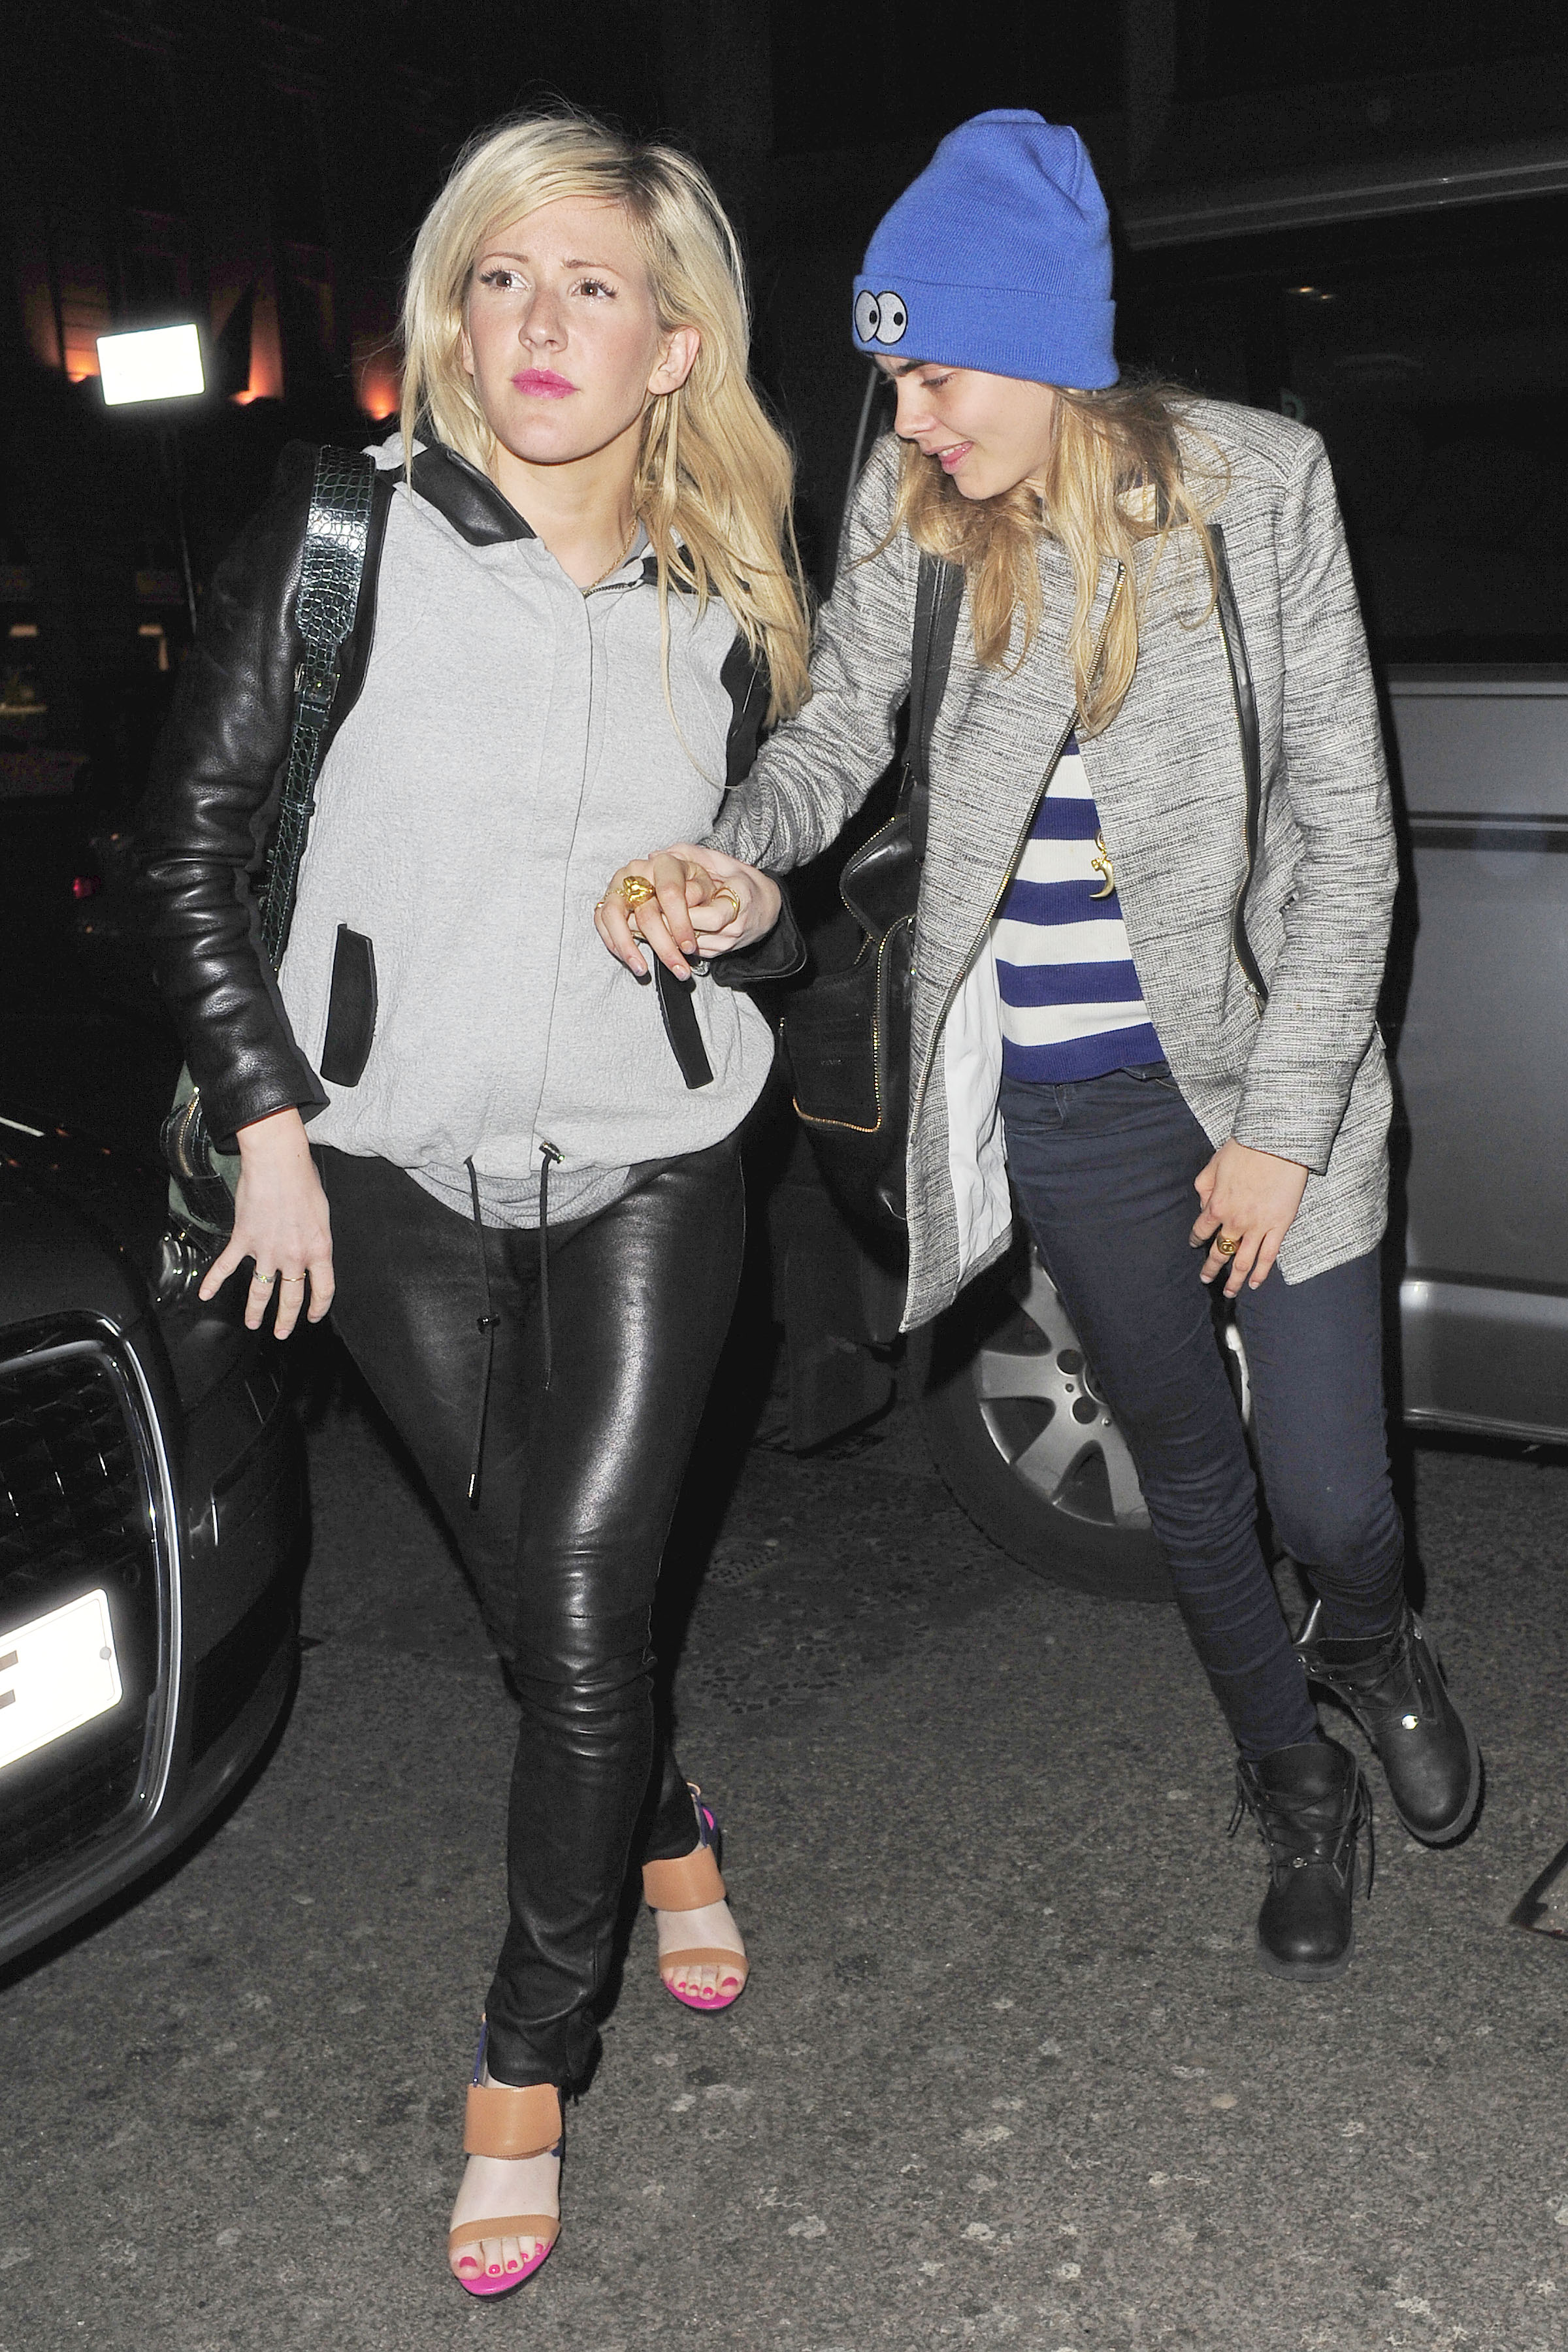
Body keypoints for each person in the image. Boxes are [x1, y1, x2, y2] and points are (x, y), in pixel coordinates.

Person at [596, 108, 1479, 1987]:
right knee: (1192, 1481)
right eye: (895, 381)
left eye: (936, 374)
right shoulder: (914, 508)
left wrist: (1284, 1127)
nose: (910, 418)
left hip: (1268, 1079)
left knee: (1334, 1493)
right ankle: (1293, 1779)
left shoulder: (1262, 489)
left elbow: (1350, 836)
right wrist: (733, 852)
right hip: (1067, 1100)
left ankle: (1374, 1637)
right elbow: (838, 734)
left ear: (1048, 346)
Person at [139, 111, 809, 2298]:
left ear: (673, 346)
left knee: (586, 1598)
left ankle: (526, 2066)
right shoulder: (342, 537)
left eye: (592, 286)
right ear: (455, 309)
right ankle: (670, 1828)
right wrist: (272, 1126)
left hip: (655, 1164)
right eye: (501, 277)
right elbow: (187, 849)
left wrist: (738, 903)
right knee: (549, 1615)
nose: (537, 322)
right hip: (386, 1172)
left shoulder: (729, 612)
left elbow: (790, 904)